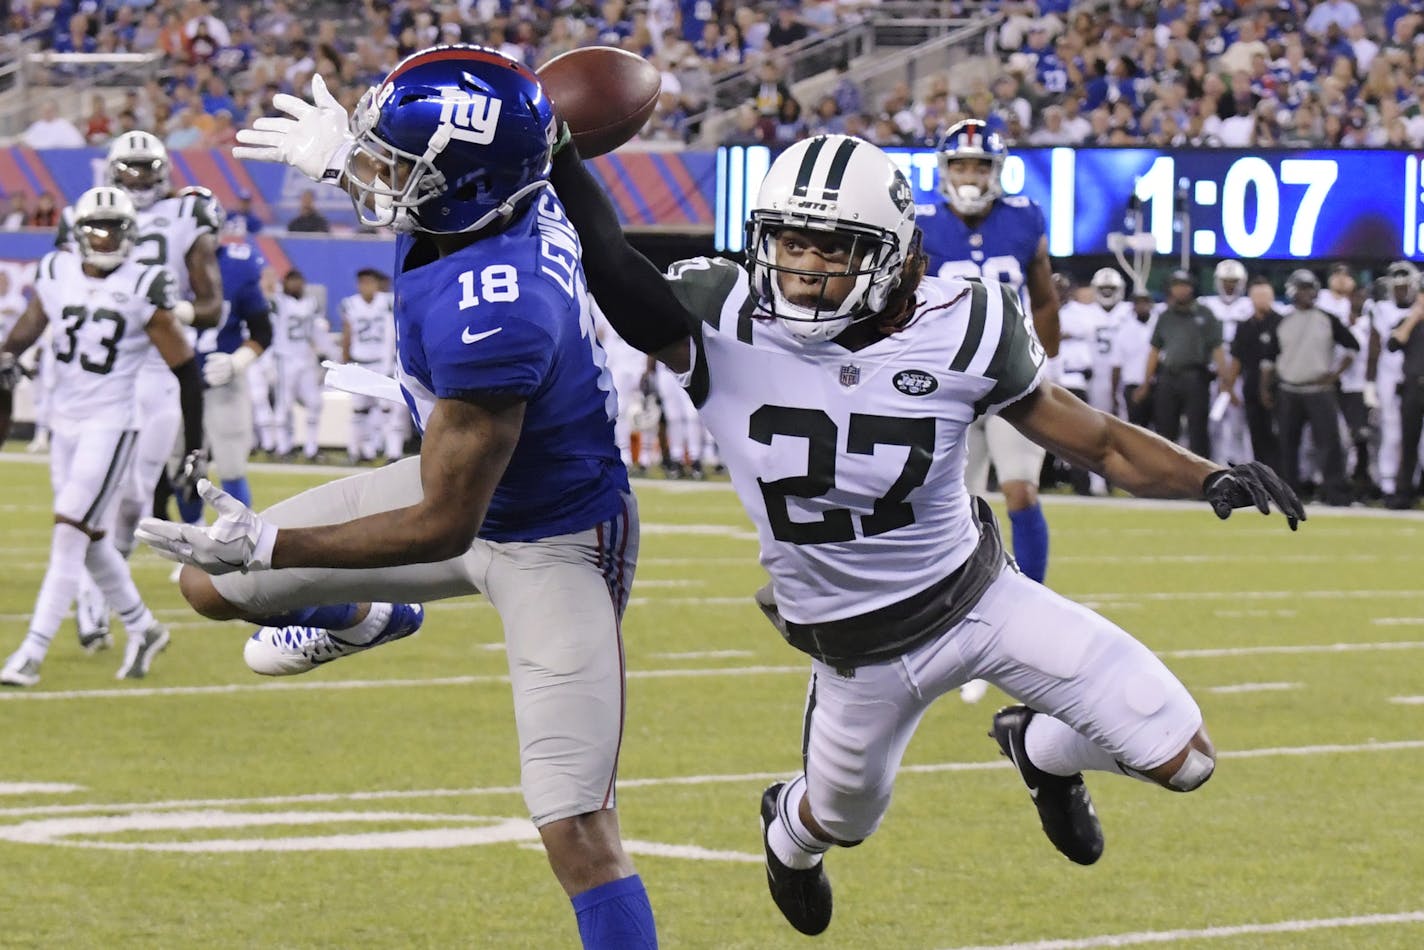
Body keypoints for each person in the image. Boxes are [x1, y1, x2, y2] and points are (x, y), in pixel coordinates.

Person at [543, 132, 1302, 937]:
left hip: (981, 601)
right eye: (788, 242)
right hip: (857, 652)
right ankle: (787, 835)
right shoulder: (726, 314)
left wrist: (1208, 475)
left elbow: (1098, 440)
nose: (800, 269)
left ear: (894, 254)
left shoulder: (965, 322)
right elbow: (617, 269)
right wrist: (557, 150)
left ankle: (1042, 751)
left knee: (1188, 759)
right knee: (839, 819)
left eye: (829, 248)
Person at [137, 49, 659, 949]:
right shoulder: (496, 194)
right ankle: (369, 618)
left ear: (462, 185)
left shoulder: (499, 303)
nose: (376, 175)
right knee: (204, 589)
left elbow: (440, 525)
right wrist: (350, 155)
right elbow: (481, 155)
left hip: (555, 538)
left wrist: (273, 546)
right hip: (452, 484)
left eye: (396, 164)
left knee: (577, 831)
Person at [0, 186, 206, 687]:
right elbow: (29, 326)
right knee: (90, 540)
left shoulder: (145, 286)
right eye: (97, 226)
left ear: (131, 233)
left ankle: (31, 652)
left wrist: (195, 446)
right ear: (78, 230)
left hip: (111, 425)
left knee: (69, 531)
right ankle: (144, 626)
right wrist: (8, 355)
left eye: (115, 226)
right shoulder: (56, 271)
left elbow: (186, 370)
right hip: (63, 423)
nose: (105, 236)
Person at [61, 131, 224, 652]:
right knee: (95, 494)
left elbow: (211, 305)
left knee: (133, 498)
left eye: (145, 168)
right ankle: (91, 604)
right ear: (111, 171)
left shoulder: (185, 215)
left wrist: (174, 313)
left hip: (158, 368)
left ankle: (99, 595)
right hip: (107, 368)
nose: (137, 178)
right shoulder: (85, 217)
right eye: (128, 169)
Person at [919, 118, 1057, 682]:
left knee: (1020, 489)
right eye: (961, 165)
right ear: (944, 170)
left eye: (980, 165)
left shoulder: (1024, 218)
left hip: (1012, 377)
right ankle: (952, 616)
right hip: (948, 382)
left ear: (997, 170)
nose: (971, 176)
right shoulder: (920, 223)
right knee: (955, 504)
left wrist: (1048, 359)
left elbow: (1045, 297)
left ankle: (1033, 613)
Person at [1260, 269, 1359, 505]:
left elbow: (1352, 347)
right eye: (1302, 289)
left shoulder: (1327, 318)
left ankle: (1334, 492)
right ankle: (1288, 492)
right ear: (1293, 291)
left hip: (1318, 389)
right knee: (1287, 444)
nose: (1307, 294)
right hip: (1289, 389)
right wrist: (1264, 388)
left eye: (1310, 288)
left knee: (1329, 444)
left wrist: (1334, 374)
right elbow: (1268, 360)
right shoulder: (1283, 321)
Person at [1136, 270, 1226, 458]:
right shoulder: (1166, 316)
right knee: (1165, 430)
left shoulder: (1205, 314)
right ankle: (1166, 477)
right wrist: (1146, 383)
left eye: (1183, 286)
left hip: (1196, 377)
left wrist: (1225, 380)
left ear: (1191, 288)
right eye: (1176, 286)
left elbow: (1218, 349)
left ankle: (1202, 479)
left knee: (1197, 431)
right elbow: (1155, 350)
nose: (1180, 290)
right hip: (1168, 377)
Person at [266, 269, 327, 460]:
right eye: (291, 281)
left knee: (315, 403)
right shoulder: (278, 302)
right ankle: (283, 447)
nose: (295, 285)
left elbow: (316, 332)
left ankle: (311, 448)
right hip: (285, 358)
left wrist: (328, 353)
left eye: (298, 281)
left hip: (306, 358)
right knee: (284, 405)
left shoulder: (311, 303)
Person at [339, 267, 397, 463]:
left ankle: (391, 452)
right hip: (360, 362)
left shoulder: (388, 301)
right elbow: (347, 334)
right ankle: (356, 451)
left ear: (376, 284)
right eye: (362, 283)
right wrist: (344, 361)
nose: (366, 287)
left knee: (387, 410)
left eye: (369, 282)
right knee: (358, 411)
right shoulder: (351, 304)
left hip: (383, 362)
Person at [1225, 277, 1284, 469]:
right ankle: (1263, 477)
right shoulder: (1244, 326)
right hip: (1251, 386)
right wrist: (1229, 386)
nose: (1261, 300)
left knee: (1277, 434)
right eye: (1257, 296)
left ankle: (1283, 476)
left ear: (1272, 297)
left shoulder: (1281, 323)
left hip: (1278, 388)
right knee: (1256, 434)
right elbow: (1236, 358)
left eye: (1265, 296)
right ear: (1250, 298)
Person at [1199, 259, 1252, 466]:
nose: (1229, 285)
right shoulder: (1205, 305)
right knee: (1213, 423)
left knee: (1240, 424)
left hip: (1241, 374)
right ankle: (1215, 464)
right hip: (1212, 373)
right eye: (1226, 281)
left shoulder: (1248, 306)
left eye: (1234, 281)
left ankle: (1243, 465)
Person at [1374, 261, 1418, 499]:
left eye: (1405, 287)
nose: (1401, 291)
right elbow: (1383, 345)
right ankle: (1389, 484)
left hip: (1415, 377)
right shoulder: (1381, 309)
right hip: (1390, 375)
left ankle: (1415, 484)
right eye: (1397, 287)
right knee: (1392, 432)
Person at [1385, 297, 1424, 509]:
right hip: (1413, 387)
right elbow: (1393, 344)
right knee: (1408, 443)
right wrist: (1413, 318)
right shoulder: (1407, 321)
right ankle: (1404, 494)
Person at [1110, 287, 1158, 427]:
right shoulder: (1124, 330)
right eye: (1138, 303)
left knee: (1161, 430)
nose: (1142, 306)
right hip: (1133, 386)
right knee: (1136, 428)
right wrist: (1113, 393)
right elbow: (1116, 365)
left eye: (1145, 302)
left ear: (1151, 304)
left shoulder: (1158, 326)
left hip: (1157, 386)